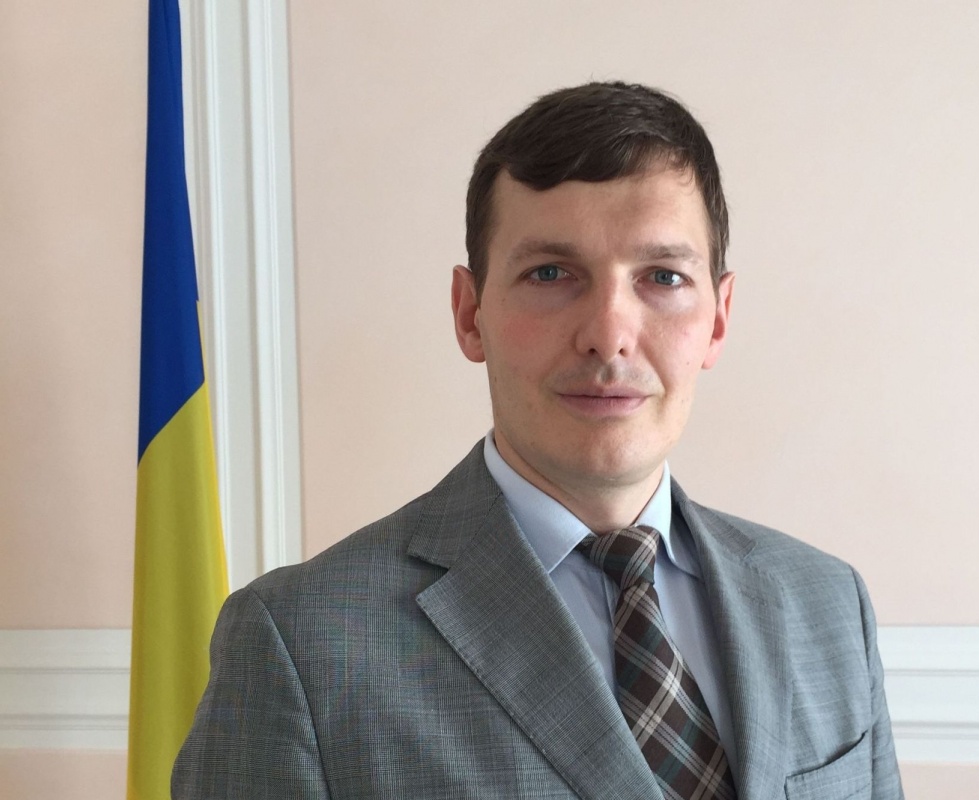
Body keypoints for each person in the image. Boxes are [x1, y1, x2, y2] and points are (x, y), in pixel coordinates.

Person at [173, 81, 904, 800]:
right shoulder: (300, 643)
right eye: (551, 273)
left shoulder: (828, 605)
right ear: (469, 314)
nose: (609, 335)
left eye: (662, 276)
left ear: (717, 318)